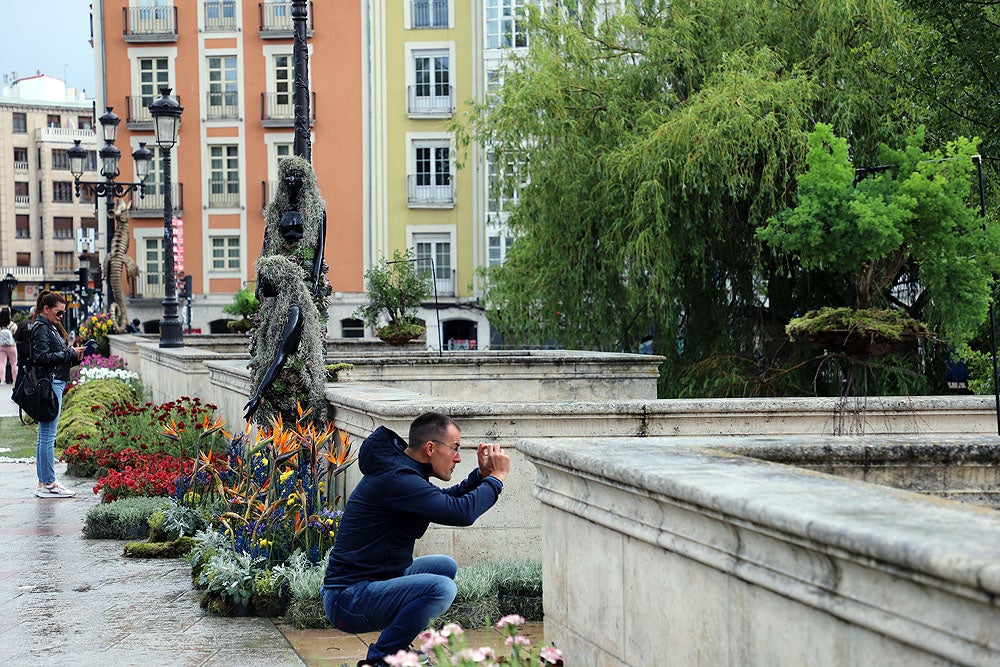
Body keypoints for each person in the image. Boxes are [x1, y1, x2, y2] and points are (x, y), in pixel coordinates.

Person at [321, 412, 511, 667]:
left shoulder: (404, 473)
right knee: (441, 588)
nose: (458, 457)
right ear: (431, 448)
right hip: (348, 600)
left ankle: (396, 646)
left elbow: (448, 501)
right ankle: (382, 658)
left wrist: (480, 477)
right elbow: (462, 513)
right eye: (454, 448)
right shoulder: (398, 480)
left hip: (372, 582)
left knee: (444, 566)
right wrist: (496, 479)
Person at [30, 292, 85, 499]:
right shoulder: (42, 327)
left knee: (44, 436)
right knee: (47, 437)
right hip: (50, 385)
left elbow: (53, 357)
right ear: (46, 309)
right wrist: (69, 353)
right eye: (58, 312)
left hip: (55, 383)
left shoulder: (49, 327)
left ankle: (45, 482)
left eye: (63, 313)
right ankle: (49, 484)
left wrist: (73, 356)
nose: (61, 316)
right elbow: (41, 358)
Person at [0, 307, 17, 385]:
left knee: (2, 363)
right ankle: (14, 380)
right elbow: (16, 335)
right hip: (11, 346)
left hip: (1, 346)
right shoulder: (13, 325)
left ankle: (3, 381)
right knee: (14, 363)